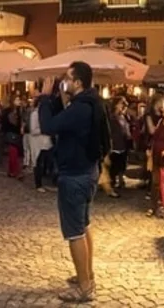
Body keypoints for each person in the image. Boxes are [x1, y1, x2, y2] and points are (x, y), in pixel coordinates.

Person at [39, 62, 111, 304]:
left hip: (75, 175)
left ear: (78, 82)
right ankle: (87, 274)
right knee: (84, 224)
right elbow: (64, 119)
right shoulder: (91, 102)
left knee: (74, 232)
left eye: (67, 78)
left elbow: (49, 126)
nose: (64, 82)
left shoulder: (80, 108)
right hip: (88, 170)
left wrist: (43, 98)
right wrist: (58, 97)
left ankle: (84, 287)